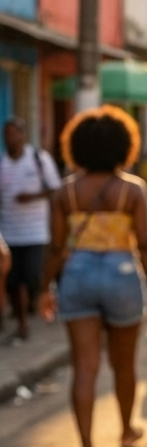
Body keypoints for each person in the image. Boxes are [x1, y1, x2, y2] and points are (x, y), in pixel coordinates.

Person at [38, 106, 147, 447]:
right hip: (122, 273)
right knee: (124, 364)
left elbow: (55, 248)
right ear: (122, 146)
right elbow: (144, 243)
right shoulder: (132, 189)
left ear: (76, 147)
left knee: (84, 367)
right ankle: (126, 430)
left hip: (77, 274)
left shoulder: (67, 192)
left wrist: (44, 289)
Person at [0, 116, 62, 340]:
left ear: (23, 134)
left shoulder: (39, 159)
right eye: (7, 133)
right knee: (13, 281)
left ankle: (42, 305)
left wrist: (33, 197)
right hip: (8, 233)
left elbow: (56, 190)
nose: (10, 137)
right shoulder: (2, 164)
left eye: (14, 132)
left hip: (35, 231)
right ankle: (22, 324)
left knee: (33, 276)